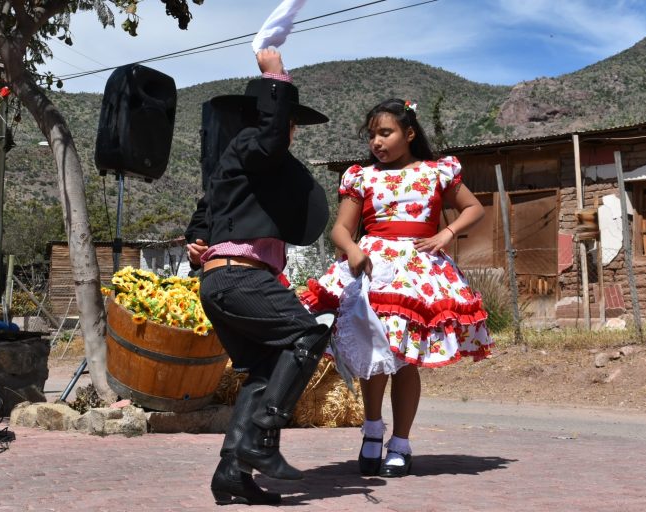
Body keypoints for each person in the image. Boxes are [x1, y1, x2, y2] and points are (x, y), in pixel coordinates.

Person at [301, 98, 494, 478]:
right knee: (374, 353)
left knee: (405, 360)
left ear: (409, 134)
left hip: (418, 273)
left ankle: (401, 443)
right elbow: (340, 229)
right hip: (373, 269)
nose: (376, 141)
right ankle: (372, 431)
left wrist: (446, 233)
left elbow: (473, 208)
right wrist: (352, 250)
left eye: (385, 133)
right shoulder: (361, 177)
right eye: (372, 134)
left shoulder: (437, 172)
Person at [185, 48, 335, 506]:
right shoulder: (251, 144)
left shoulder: (246, 168)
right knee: (307, 335)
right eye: (287, 120)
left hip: (221, 281)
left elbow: (204, 214)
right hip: (241, 278)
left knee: (264, 371)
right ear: (268, 118)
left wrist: (196, 242)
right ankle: (264, 439)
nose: (290, 130)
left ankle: (231, 473)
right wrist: (276, 77)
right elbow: (270, 138)